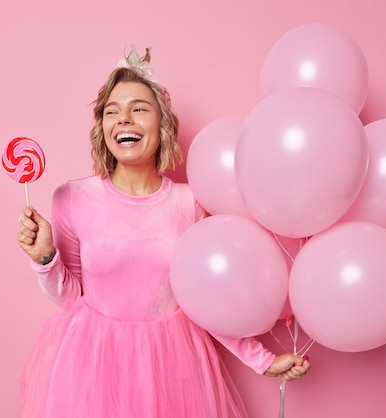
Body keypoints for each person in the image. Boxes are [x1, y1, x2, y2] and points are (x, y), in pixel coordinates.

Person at [16, 45, 310, 418]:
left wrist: (262, 360)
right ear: (102, 127)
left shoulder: (191, 204)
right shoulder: (72, 198)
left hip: (172, 364)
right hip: (92, 365)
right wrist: (45, 257)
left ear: (163, 124)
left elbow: (205, 302)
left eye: (139, 109)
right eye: (112, 112)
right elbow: (71, 299)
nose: (124, 120)